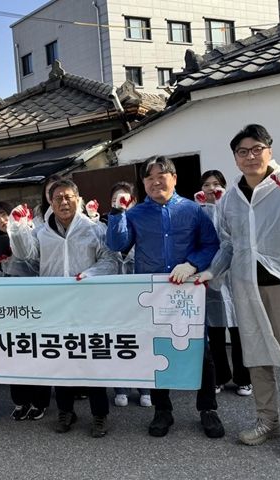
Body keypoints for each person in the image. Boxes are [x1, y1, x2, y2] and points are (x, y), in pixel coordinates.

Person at [197, 124, 280, 458]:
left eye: (256, 149)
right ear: (235, 158)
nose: (250, 156)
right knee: (256, 356)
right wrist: (211, 272)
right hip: (247, 286)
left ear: (269, 150)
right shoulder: (230, 199)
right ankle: (268, 421)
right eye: (243, 152)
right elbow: (228, 244)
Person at [106, 156, 224, 439]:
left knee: (200, 350)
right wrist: (117, 212)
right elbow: (117, 244)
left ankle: (208, 409)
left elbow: (211, 244)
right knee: (157, 350)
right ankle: (162, 410)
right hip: (154, 293)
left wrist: (193, 264)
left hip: (187, 292)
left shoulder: (193, 210)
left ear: (174, 178)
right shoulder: (135, 214)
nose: (155, 181)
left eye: (161, 175)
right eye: (149, 177)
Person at [8, 179, 118, 438]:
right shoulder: (42, 232)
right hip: (55, 306)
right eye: (58, 198)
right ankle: (66, 411)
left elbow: (110, 261)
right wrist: (18, 228)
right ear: (51, 202)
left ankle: (100, 414)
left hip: (88, 305)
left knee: (92, 360)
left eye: (68, 197)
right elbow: (26, 256)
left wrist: (90, 274)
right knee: (60, 360)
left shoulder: (94, 229)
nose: (64, 202)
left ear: (78, 199)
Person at [0, 202, 48, 421]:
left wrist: (14, 260)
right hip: (9, 303)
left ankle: (40, 402)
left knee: (35, 352)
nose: (1, 220)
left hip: (32, 301)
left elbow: (37, 264)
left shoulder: (29, 231)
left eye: (4, 214)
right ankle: (21, 400)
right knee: (13, 352)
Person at [194, 171, 252, 397]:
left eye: (216, 184)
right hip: (210, 276)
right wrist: (207, 208)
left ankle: (243, 379)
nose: (211, 188)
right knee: (215, 333)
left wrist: (218, 205)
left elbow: (229, 237)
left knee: (239, 333)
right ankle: (219, 377)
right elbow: (205, 237)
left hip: (234, 275)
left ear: (224, 186)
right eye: (206, 184)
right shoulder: (197, 210)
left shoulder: (232, 206)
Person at [104, 182, 152, 409]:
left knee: (142, 341)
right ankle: (121, 387)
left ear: (134, 202)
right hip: (114, 297)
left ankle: (145, 387)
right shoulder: (105, 227)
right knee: (119, 341)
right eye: (116, 199)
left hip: (140, 294)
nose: (121, 203)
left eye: (125, 199)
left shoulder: (143, 226)